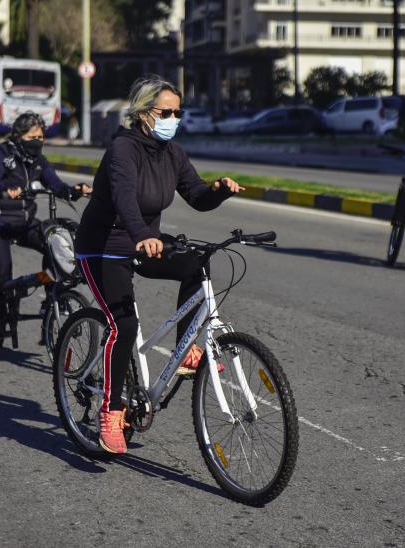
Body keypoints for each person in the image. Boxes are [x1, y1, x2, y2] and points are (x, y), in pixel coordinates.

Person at [73, 75, 244, 454]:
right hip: (104, 248)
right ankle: (111, 412)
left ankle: (185, 351)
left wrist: (217, 191)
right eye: (166, 111)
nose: (174, 118)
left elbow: (196, 195)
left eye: (178, 112)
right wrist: (140, 234)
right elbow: (122, 198)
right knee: (125, 324)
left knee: (196, 263)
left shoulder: (173, 153)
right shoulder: (123, 149)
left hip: (142, 244)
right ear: (143, 113)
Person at [0, 111, 92, 336]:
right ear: (18, 136)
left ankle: (55, 292)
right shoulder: (2, 154)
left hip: (23, 223)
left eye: (41, 137)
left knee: (55, 244)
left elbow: (56, 184)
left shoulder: (39, 162)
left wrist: (75, 190)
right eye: (32, 137)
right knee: (2, 266)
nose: (38, 142)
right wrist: (5, 191)